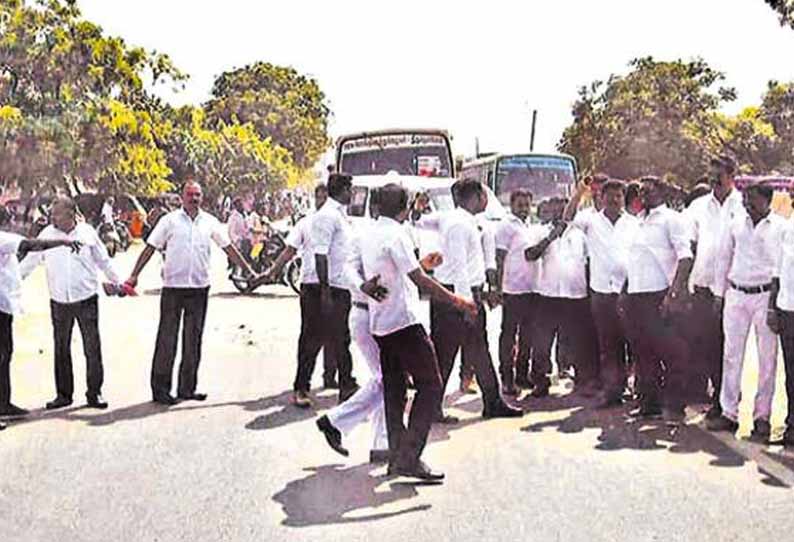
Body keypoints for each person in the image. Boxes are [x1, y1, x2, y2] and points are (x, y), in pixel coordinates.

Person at [315, 193, 445, 463]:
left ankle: (382, 443)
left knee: (390, 381)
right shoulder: (366, 235)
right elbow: (349, 271)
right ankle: (337, 422)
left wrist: (420, 265)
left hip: (375, 314)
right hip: (370, 314)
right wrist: (363, 286)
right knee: (388, 381)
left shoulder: (379, 235)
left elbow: (393, 275)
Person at [361, 183, 478, 480]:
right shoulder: (397, 234)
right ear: (404, 206)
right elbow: (419, 281)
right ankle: (409, 456)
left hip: (381, 321)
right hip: (403, 320)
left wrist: (422, 265)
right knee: (431, 385)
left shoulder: (372, 232)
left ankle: (398, 454)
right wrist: (457, 301)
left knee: (395, 389)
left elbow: (399, 271)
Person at [124, 180, 256, 405]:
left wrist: (249, 270)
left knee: (192, 341)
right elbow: (150, 248)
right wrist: (134, 275)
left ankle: (187, 388)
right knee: (167, 340)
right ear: (182, 196)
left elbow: (228, 248)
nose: (194, 198)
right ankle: (161, 390)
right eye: (190, 194)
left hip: (199, 289)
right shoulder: (169, 221)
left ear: (201, 198)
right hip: (173, 289)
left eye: (198, 195)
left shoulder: (210, 222)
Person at [417, 178, 523, 420]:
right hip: (455, 297)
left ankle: (492, 402)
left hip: (464, 295)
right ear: (475, 197)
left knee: (479, 351)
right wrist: (465, 303)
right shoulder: (458, 225)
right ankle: (430, 408)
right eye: (484, 195)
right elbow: (459, 268)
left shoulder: (466, 221)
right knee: (444, 355)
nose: (486, 200)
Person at [19, 198, 123, 410]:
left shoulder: (87, 233)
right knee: (61, 348)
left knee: (92, 348)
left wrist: (118, 282)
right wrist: (12, 281)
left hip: (86, 299)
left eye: (56, 213)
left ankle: (95, 393)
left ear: (71, 214)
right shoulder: (47, 235)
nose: (52, 217)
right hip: (59, 301)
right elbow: (30, 262)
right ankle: (63, 395)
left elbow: (103, 260)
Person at [708, 183, 786, 440]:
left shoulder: (780, 227)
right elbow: (723, 259)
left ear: (767, 201)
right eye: (745, 199)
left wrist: (775, 305)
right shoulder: (735, 224)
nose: (747, 204)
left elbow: (781, 269)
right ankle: (729, 412)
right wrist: (720, 295)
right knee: (731, 355)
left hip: (765, 297)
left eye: (752, 200)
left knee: (767, 360)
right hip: (736, 294)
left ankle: (761, 417)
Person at [254, 184, 340, 396]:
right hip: (311, 283)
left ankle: (331, 377)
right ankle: (302, 384)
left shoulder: (339, 221)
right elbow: (289, 250)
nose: (321, 200)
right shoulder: (306, 223)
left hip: (335, 283)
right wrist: (272, 271)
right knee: (310, 336)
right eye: (318, 196)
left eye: (325, 196)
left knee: (335, 335)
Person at [622, 177, 694, 420]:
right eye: (641, 191)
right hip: (636, 296)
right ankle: (648, 403)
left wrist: (673, 294)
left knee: (672, 352)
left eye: (648, 191)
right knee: (643, 353)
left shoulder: (671, 220)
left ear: (661, 192)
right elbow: (633, 262)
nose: (643, 195)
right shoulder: (638, 222)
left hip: (660, 295)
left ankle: (674, 405)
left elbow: (685, 258)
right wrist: (625, 294)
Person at [1, 207, 81, 420]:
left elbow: (21, 255)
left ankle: (3, 403)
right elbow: (30, 246)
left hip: (4, 306)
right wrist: (61, 242)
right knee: (1, 356)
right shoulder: (2, 237)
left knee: (4, 355)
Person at [564, 179, 638, 406]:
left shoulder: (634, 223)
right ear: (602, 199)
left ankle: (628, 386)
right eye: (610, 196)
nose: (615, 200)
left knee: (631, 343)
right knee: (608, 344)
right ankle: (612, 390)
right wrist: (579, 193)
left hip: (628, 291)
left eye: (619, 196)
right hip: (602, 293)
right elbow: (567, 218)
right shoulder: (591, 221)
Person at [683, 155, 744, 419]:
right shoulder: (698, 206)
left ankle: (726, 403)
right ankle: (714, 398)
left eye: (717, 174)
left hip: (731, 292)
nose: (712, 179)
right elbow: (688, 244)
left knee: (728, 350)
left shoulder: (743, 205)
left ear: (731, 175)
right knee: (707, 345)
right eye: (710, 174)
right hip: (702, 288)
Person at [292, 174, 358, 407]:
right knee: (312, 339)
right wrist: (325, 292)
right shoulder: (326, 216)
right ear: (341, 190)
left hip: (338, 287)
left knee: (341, 339)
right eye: (350, 189)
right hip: (320, 288)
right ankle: (301, 387)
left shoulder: (340, 216)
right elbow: (321, 255)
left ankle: (347, 386)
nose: (352, 193)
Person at [525, 197, 598, 396]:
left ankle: (582, 380)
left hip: (576, 295)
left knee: (579, 340)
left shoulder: (581, 235)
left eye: (564, 208)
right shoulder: (540, 231)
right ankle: (541, 381)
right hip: (548, 295)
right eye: (555, 208)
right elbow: (530, 254)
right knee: (541, 342)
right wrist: (550, 237)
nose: (560, 212)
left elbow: (590, 262)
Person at [495, 189, 540, 396]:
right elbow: (499, 258)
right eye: (520, 205)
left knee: (528, 335)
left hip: (532, 288)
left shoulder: (530, 226)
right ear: (512, 205)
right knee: (509, 336)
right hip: (512, 289)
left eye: (527, 205)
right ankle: (507, 378)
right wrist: (498, 287)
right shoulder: (506, 226)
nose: (524, 209)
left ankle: (523, 375)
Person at [770, 179, 794, 447]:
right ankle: (792, 424)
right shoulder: (787, 227)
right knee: (791, 371)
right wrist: (773, 307)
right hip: (787, 309)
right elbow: (777, 273)